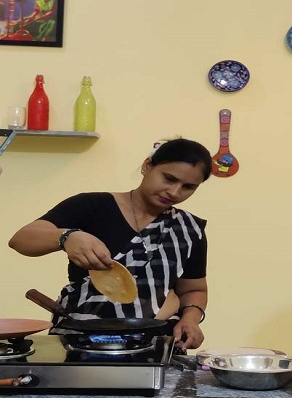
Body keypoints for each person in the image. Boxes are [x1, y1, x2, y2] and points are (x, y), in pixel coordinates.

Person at [9, 138, 212, 350]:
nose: (174, 192)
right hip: (81, 338)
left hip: (155, 342)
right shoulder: (92, 206)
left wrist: (190, 319)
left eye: (188, 187)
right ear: (147, 166)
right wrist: (66, 236)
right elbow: (21, 239)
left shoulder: (188, 228)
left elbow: (194, 290)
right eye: (169, 178)